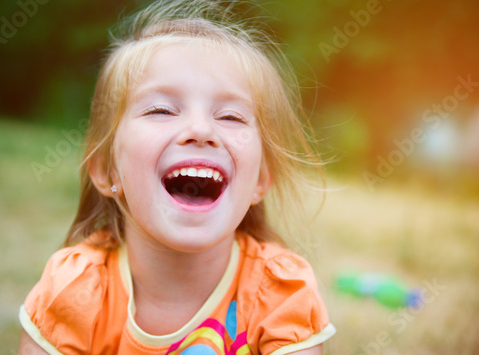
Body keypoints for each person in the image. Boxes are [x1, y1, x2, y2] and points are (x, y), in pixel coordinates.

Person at [18, 0, 335, 353]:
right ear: (106, 169)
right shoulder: (73, 292)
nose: (200, 129)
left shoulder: (279, 295)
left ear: (260, 179)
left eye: (231, 116)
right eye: (161, 109)